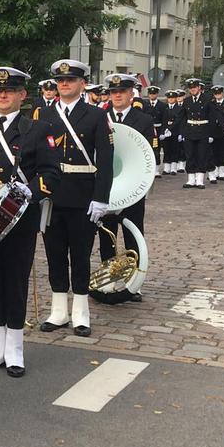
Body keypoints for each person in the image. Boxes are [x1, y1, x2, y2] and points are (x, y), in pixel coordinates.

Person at [0, 67, 54, 377]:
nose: (2, 95)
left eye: (9, 90)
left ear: (21, 96)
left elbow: (51, 173)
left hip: (19, 215)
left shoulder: (36, 130)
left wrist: (31, 190)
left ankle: (15, 347)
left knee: (15, 279)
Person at [37, 59, 112, 337]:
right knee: (55, 254)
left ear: (83, 84)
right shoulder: (43, 115)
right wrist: (37, 191)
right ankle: (58, 310)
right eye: (60, 80)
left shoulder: (95, 115)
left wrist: (101, 197)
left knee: (80, 254)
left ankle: (81, 312)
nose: (64, 84)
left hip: (82, 194)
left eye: (70, 79)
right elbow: (35, 158)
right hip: (52, 195)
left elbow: (105, 159)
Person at [97, 74, 152, 287]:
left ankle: (133, 282)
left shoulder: (144, 120)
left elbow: (147, 155)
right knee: (106, 236)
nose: (117, 95)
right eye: (113, 92)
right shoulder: (100, 118)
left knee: (133, 234)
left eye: (122, 92)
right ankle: (108, 279)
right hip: (106, 187)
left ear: (132, 94)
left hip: (132, 188)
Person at [177, 78, 212, 189]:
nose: (192, 90)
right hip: (190, 131)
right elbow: (181, 117)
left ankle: (200, 180)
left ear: (199, 88)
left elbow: (214, 115)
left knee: (201, 155)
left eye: (194, 87)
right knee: (190, 155)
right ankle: (191, 180)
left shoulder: (207, 99)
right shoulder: (187, 101)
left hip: (203, 130)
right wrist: (169, 128)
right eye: (191, 88)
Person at [208, 85, 224, 182]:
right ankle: (214, 172)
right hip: (213, 131)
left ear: (222, 93)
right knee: (213, 153)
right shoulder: (211, 104)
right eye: (215, 94)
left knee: (223, 152)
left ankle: (222, 172)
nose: (217, 95)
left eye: (219, 93)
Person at [143, 85, 166, 169]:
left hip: (158, 129)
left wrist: (163, 131)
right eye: (150, 94)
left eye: (154, 94)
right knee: (147, 148)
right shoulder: (145, 104)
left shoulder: (162, 105)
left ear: (157, 94)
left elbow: (164, 120)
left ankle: (156, 168)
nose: (152, 95)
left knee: (157, 149)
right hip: (148, 130)